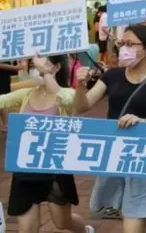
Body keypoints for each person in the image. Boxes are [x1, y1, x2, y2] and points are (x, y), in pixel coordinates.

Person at [74, 24, 146, 233]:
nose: (124, 49)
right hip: (113, 156)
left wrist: (141, 122)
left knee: (133, 222)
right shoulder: (111, 76)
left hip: (143, 159)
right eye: (122, 43)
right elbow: (83, 106)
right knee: (108, 207)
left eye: (131, 44)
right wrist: (81, 85)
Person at [0, 54, 94, 233]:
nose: (37, 67)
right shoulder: (27, 94)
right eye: (34, 64)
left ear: (57, 67)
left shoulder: (65, 95)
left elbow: (71, 100)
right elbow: (2, 99)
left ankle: (86, 231)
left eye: (43, 63)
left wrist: (46, 74)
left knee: (62, 222)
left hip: (55, 169)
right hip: (25, 168)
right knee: (26, 228)